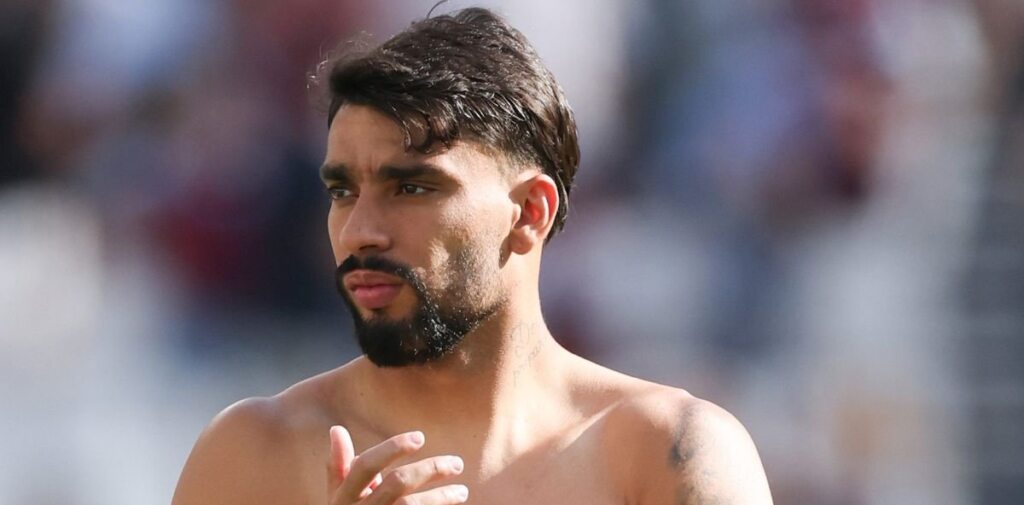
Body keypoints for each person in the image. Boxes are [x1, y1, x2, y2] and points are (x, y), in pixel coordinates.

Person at [172, 7, 773, 505]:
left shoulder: (669, 452)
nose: (359, 232)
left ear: (530, 211)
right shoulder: (253, 457)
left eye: (411, 188)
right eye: (343, 191)